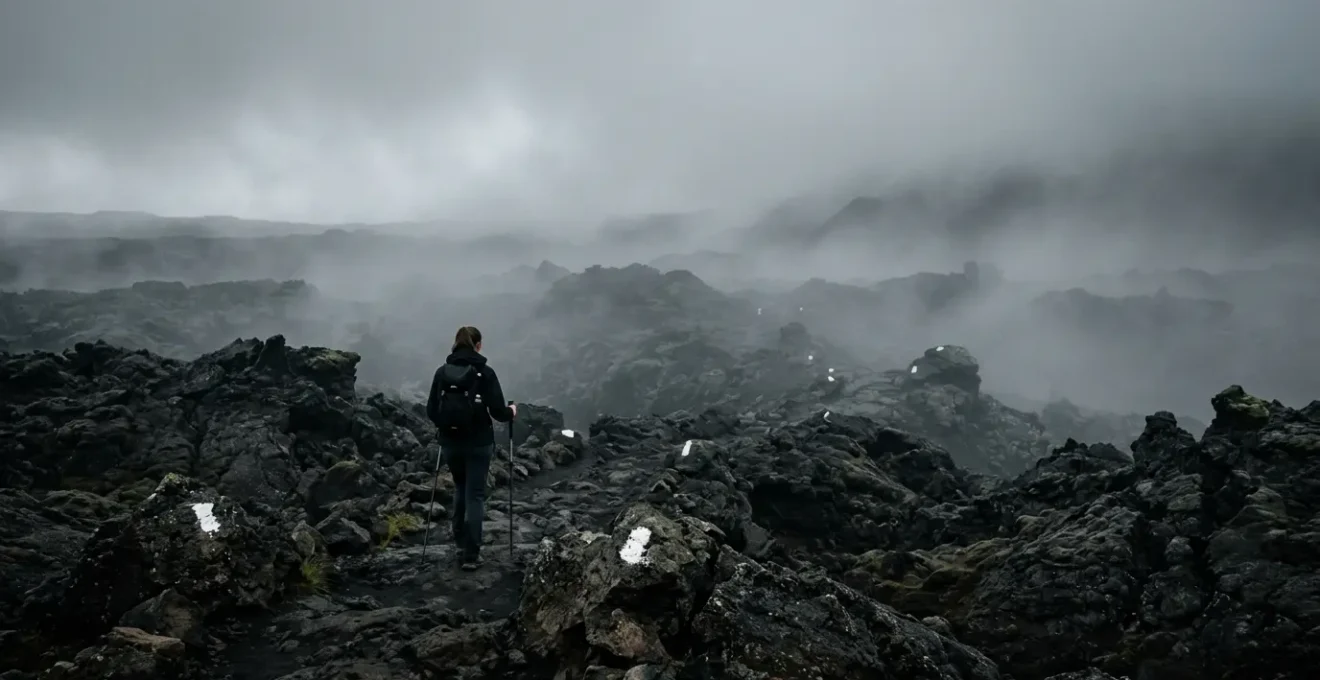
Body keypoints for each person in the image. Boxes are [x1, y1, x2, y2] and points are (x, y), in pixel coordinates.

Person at [426, 325, 516, 570]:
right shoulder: (484, 373)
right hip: (479, 443)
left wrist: (446, 428)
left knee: (460, 487)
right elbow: (498, 412)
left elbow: (431, 410)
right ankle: (471, 555)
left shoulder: (441, 373)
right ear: (478, 345)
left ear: (455, 344)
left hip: (451, 444)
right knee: (475, 495)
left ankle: (459, 542)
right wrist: (512, 411)